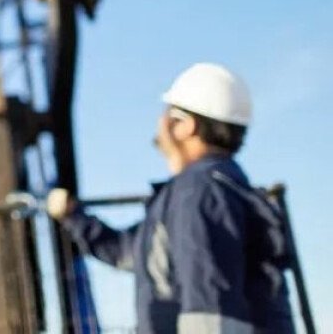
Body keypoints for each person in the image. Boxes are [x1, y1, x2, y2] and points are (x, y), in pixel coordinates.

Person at [47, 63, 295, 334]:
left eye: (167, 112)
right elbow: (130, 253)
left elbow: (210, 309)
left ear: (186, 125)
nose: (160, 121)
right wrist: (73, 216)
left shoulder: (200, 193)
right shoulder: (204, 192)